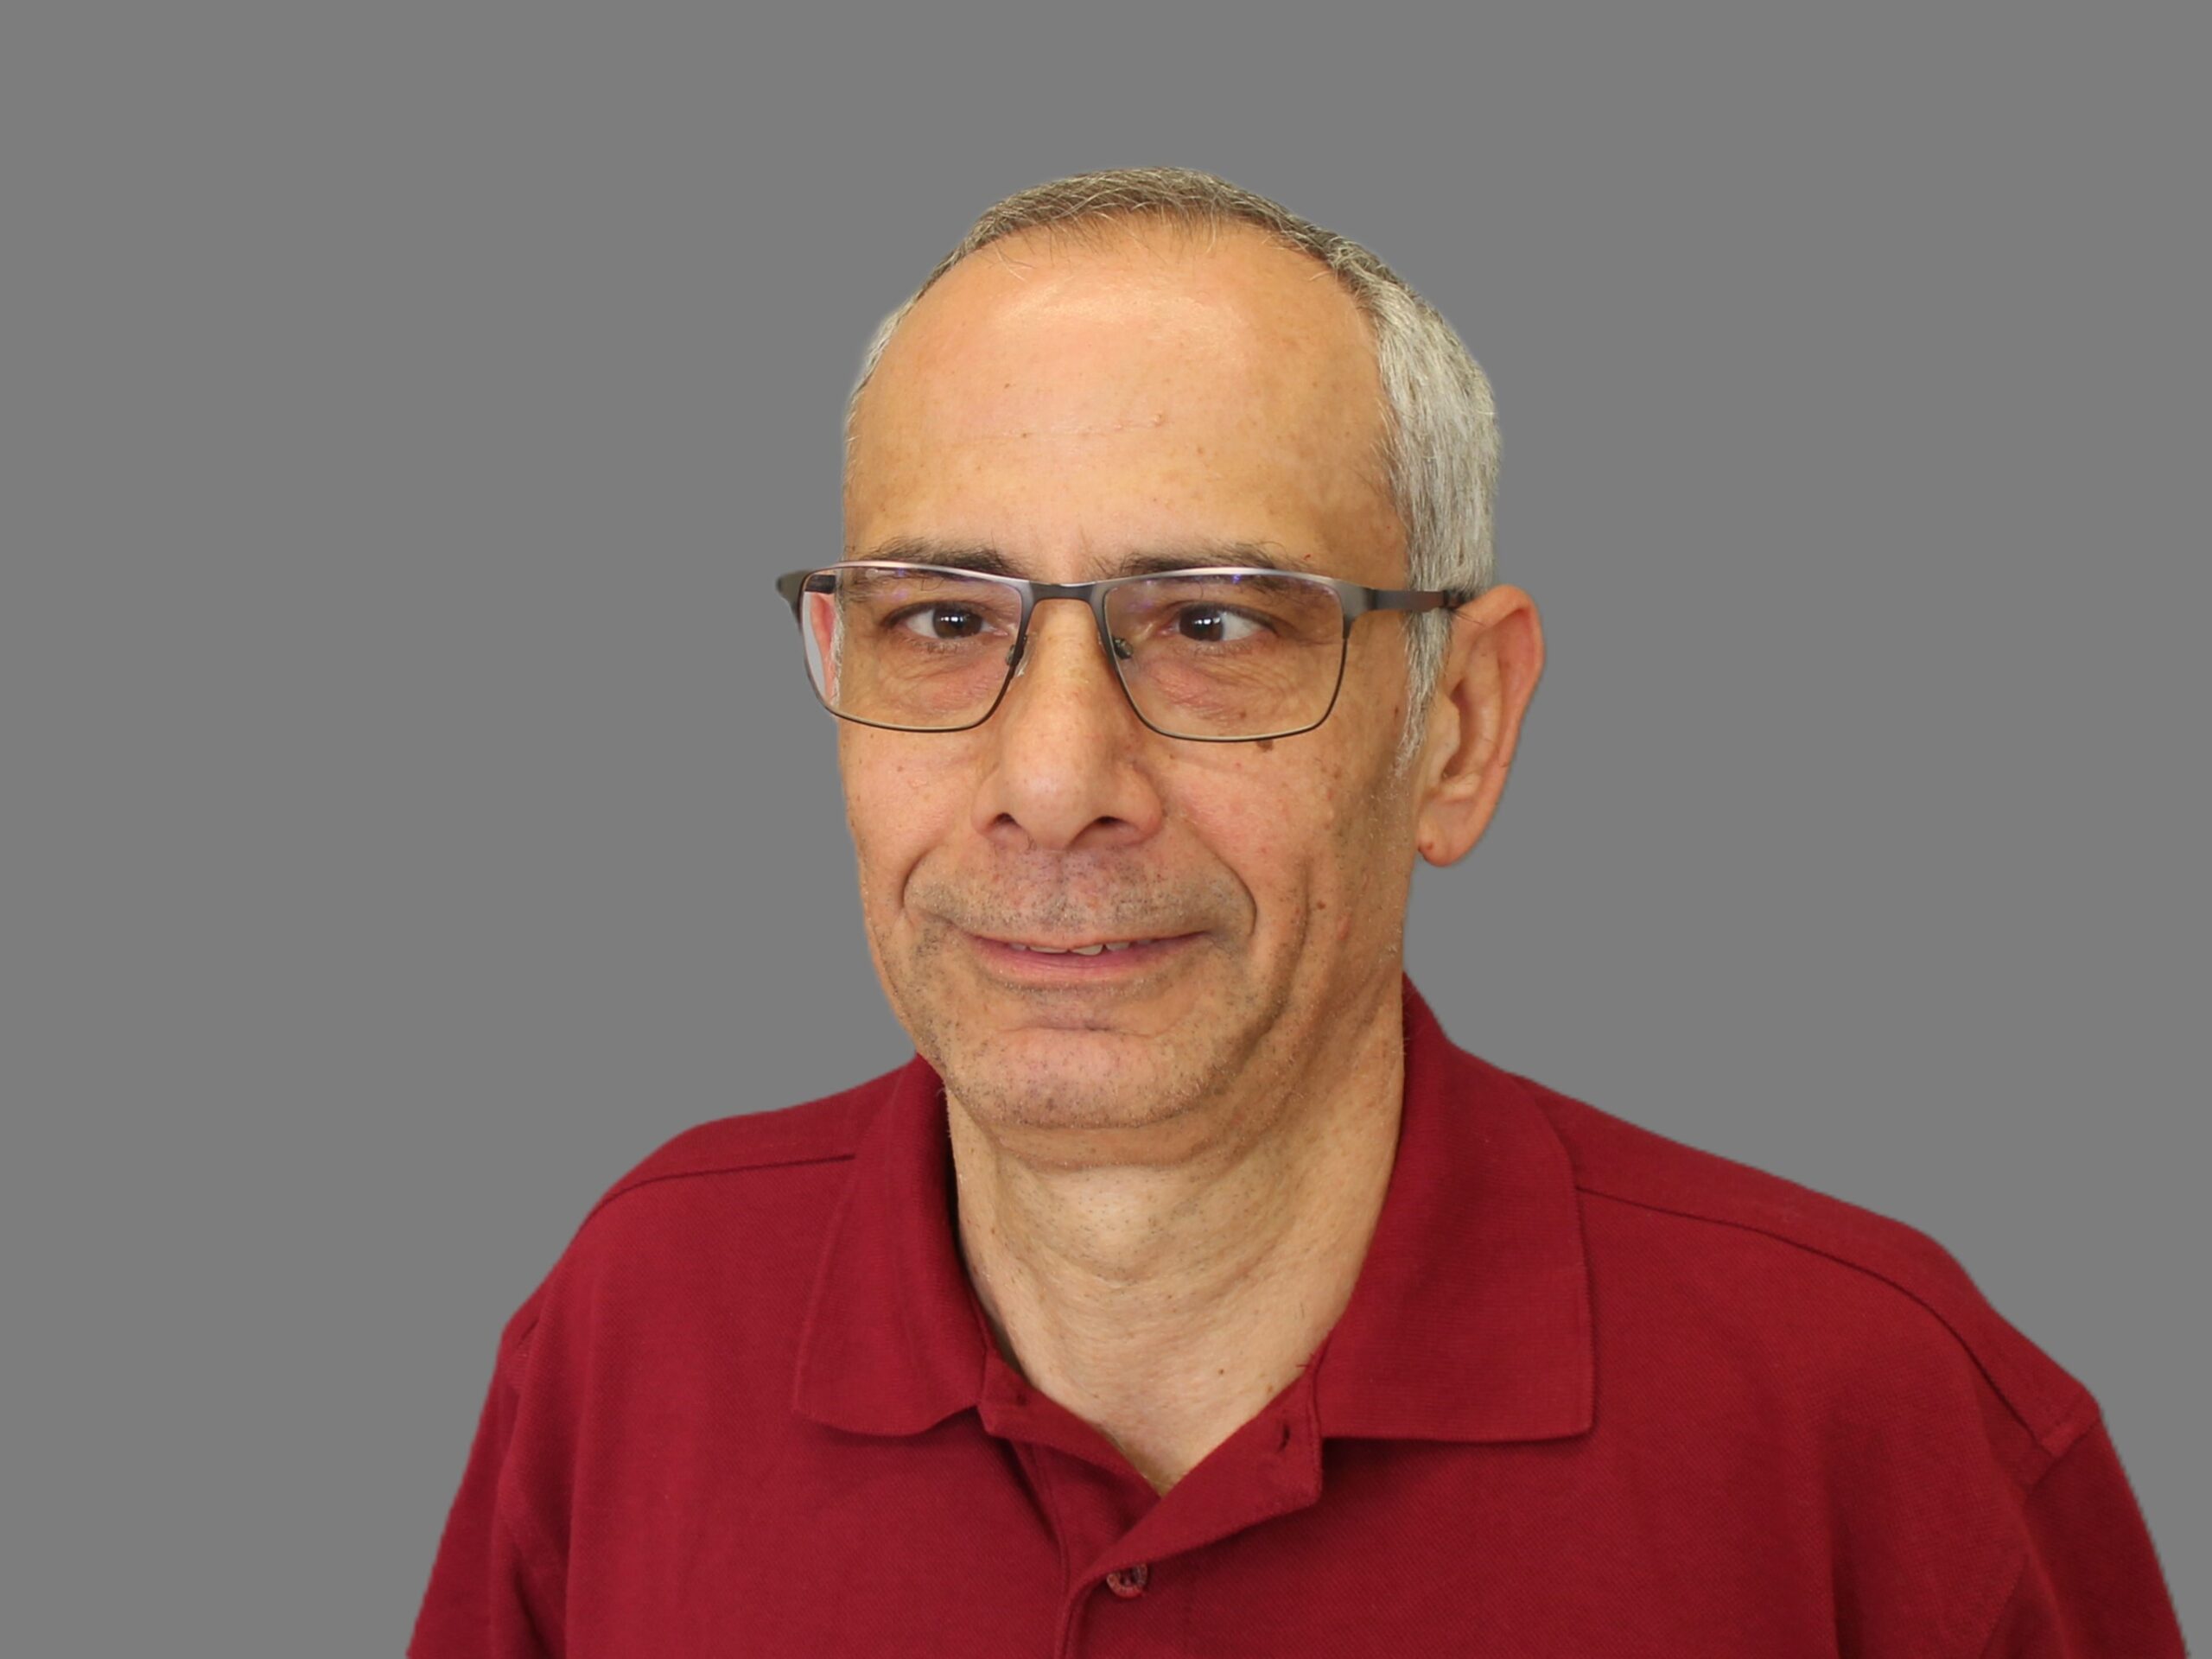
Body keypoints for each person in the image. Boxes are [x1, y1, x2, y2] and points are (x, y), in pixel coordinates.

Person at [410, 168, 2184, 1656]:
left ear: (1457, 728)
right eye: (942, 621)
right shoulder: (637, 1325)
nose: (1053, 779)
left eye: (1212, 623)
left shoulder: (1877, 1425)